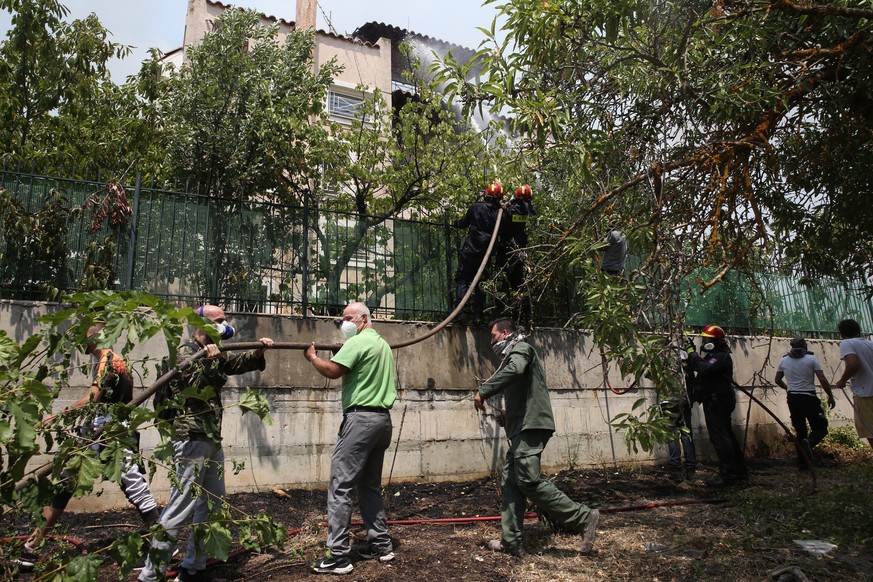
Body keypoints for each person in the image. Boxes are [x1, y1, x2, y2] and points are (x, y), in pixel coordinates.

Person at [138, 305, 273, 582]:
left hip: (211, 437)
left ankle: (193, 568)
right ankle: (151, 576)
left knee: (212, 505)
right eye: (219, 321)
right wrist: (211, 360)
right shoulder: (187, 353)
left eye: (226, 320)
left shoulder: (214, 350)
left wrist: (259, 352)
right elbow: (197, 388)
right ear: (202, 324)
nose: (225, 324)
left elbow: (236, 364)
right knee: (180, 506)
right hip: (191, 438)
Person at [18, 324, 160, 571]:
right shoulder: (107, 362)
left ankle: (163, 545)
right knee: (66, 483)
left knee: (134, 486)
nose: (80, 342)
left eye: (84, 336)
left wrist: (58, 415)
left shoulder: (109, 361)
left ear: (94, 337)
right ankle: (30, 547)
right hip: (99, 431)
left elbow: (93, 399)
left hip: (111, 432)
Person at [473, 317, 599, 557]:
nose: (492, 342)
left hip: (531, 427)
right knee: (511, 482)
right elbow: (526, 392)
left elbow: (515, 369)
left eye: (494, 336)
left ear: (506, 332)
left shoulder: (521, 349)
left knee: (528, 481)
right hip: (522, 425)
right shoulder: (516, 353)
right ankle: (510, 541)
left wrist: (484, 390)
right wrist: (509, 417)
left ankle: (584, 517)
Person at [304, 302, 397, 575]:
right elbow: (359, 367)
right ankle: (381, 544)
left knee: (340, 485)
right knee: (368, 485)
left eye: (348, 318)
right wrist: (340, 351)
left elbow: (333, 371)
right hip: (382, 421)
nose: (344, 322)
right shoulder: (382, 345)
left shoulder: (357, 342)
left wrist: (312, 357)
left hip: (361, 421)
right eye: (342, 318)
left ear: (364, 318)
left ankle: (338, 556)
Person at [685, 324, 747, 487]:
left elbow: (703, 368)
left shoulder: (720, 356)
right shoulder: (716, 355)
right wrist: (689, 355)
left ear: (716, 341)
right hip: (716, 400)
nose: (704, 342)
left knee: (720, 438)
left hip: (717, 401)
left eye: (707, 339)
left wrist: (691, 354)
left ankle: (727, 475)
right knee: (727, 436)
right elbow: (698, 366)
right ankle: (740, 470)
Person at [774, 336, 836, 469]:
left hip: (793, 399)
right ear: (805, 346)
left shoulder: (784, 360)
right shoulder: (811, 359)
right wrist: (830, 396)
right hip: (809, 398)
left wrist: (788, 388)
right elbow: (823, 379)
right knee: (821, 428)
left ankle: (802, 465)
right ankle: (810, 441)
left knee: (800, 431)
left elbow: (777, 379)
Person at [454, 182, 504, 324]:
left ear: (486, 195)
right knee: (481, 284)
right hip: (485, 256)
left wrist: (454, 222)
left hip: (470, 251)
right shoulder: (500, 213)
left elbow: (463, 224)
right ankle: (478, 315)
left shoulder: (476, 207)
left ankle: (460, 313)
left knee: (463, 280)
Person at [495, 184, 536, 324]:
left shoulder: (511, 211)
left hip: (507, 251)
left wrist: (504, 206)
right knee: (519, 284)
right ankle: (526, 315)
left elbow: (501, 226)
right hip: (519, 252)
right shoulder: (526, 210)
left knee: (500, 282)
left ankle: (500, 314)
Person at [834, 319, 873, 450]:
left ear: (841, 334)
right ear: (859, 331)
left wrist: (842, 381)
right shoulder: (870, 343)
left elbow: (853, 364)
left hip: (866, 393)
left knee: (870, 430)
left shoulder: (846, 343)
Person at [660, 396, 697, 481]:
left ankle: (676, 470)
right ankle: (691, 471)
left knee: (672, 436)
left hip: (667, 401)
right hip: (683, 400)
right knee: (687, 436)